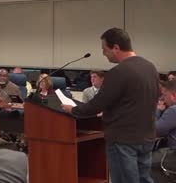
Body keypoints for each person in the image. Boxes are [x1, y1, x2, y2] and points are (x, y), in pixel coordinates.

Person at [62, 28, 159, 183]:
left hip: (123, 139)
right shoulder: (150, 67)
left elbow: (97, 104)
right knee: (144, 179)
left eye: (104, 49)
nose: (104, 54)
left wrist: (72, 109)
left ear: (116, 47)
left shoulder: (119, 72)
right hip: (146, 137)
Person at [152, 80, 176, 167]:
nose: (163, 99)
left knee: (142, 162)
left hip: (173, 154)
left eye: (165, 95)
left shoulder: (173, 110)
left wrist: (157, 110)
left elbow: (155, 131)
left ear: (174, 96)